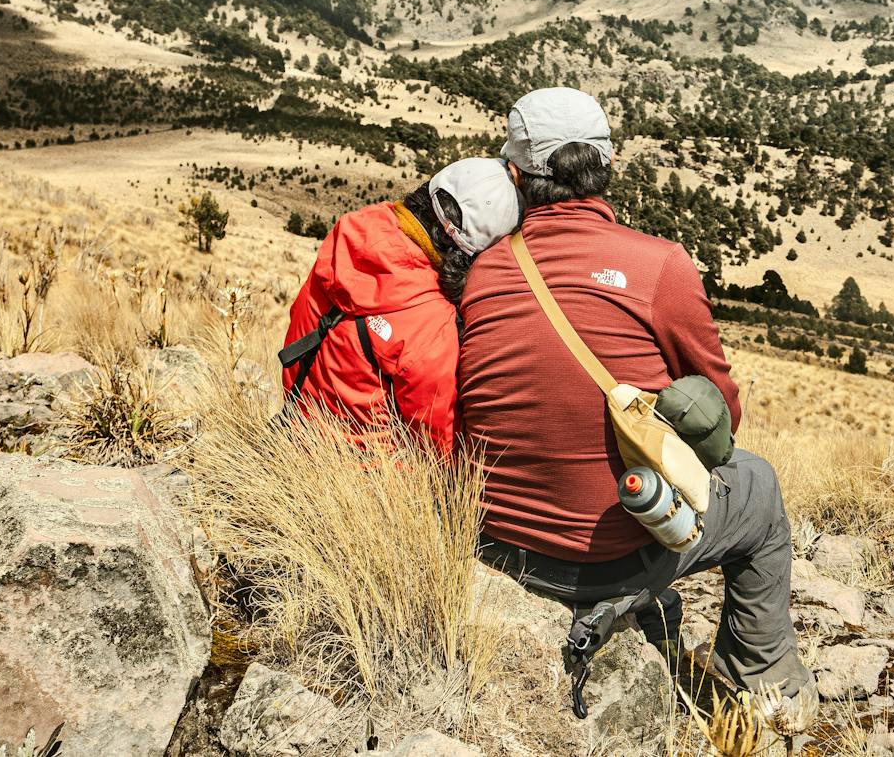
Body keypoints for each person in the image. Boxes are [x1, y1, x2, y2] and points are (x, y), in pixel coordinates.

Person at [456, 88, 817, 727]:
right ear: (605, 168)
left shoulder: (482, 273)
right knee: (757, 486)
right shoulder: (660, 267)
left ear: (515, 176)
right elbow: (721, 421)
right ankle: (759, 681)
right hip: (620, 553)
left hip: (502, 548)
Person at [281, 157, 520, 455]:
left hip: (295, 425)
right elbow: (438, 445)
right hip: (364, 475)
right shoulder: (430, 327)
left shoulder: (352, 235)